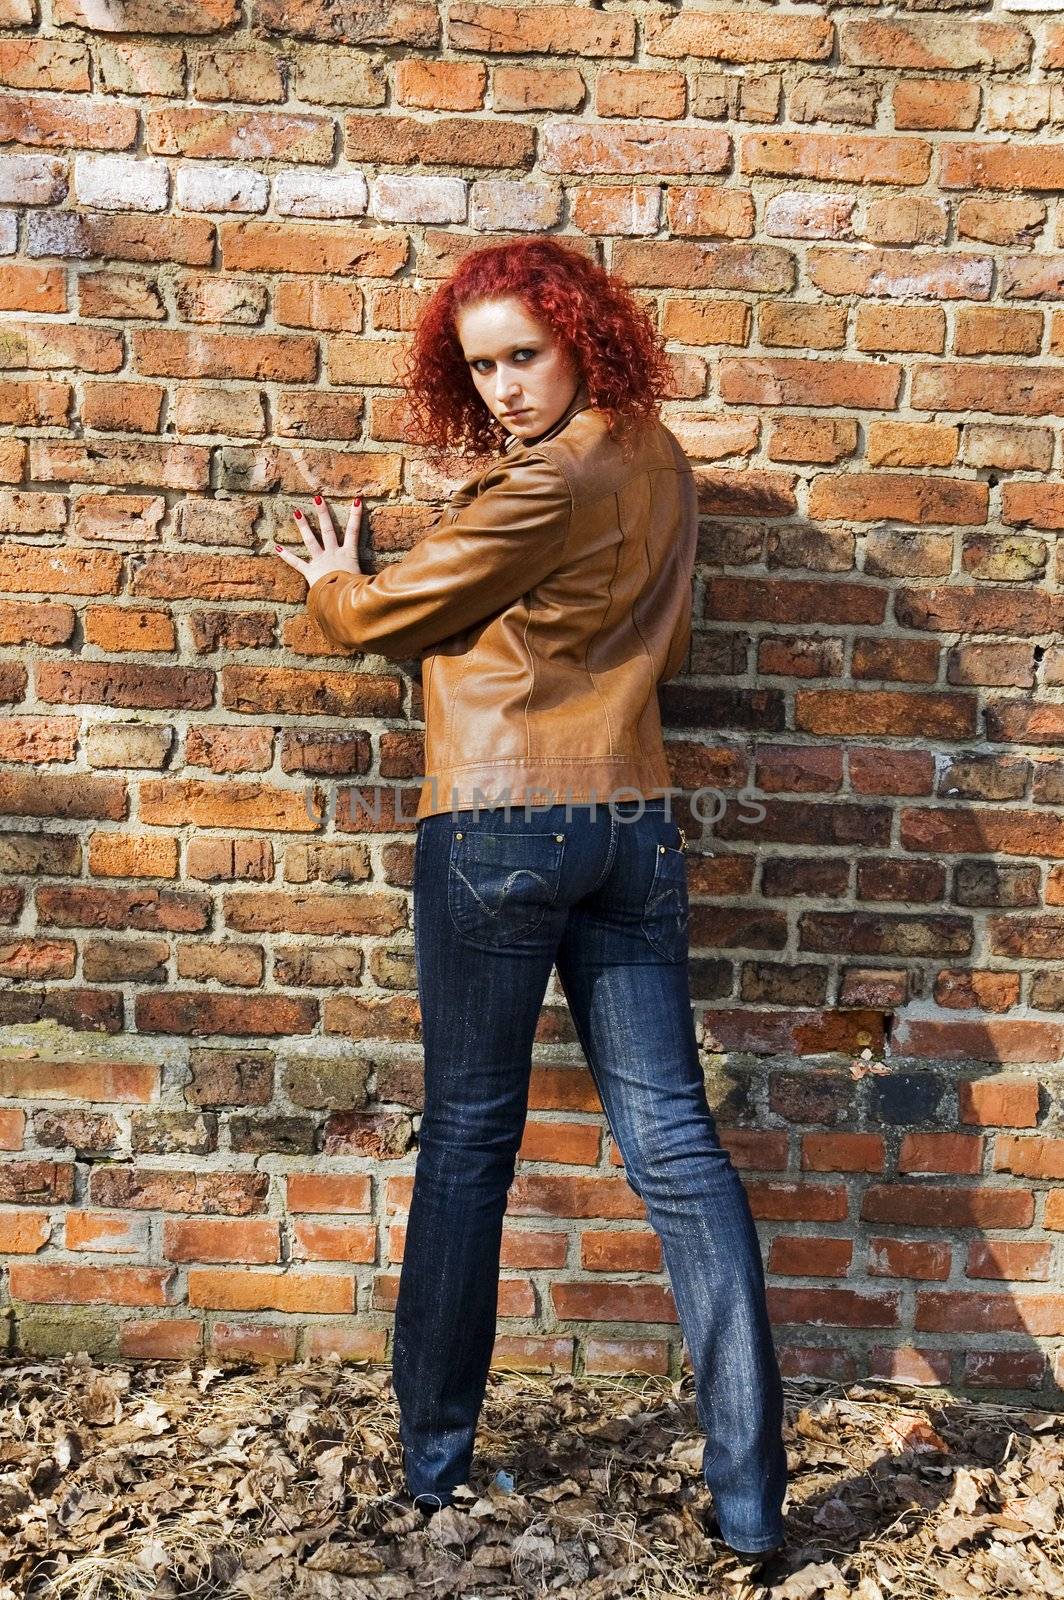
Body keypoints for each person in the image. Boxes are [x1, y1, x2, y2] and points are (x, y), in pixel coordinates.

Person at [271, 238, 788, 1562]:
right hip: (633, 825)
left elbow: (387, 618)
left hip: (501, 825)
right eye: (482, 363)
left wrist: (335, 580)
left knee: (467, 1146)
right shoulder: (657, 456)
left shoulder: (545, 485)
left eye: (522, 356)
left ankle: (436, 1463)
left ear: (580, 338)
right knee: (678, 1153)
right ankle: (750, 1505)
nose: (501, 386)